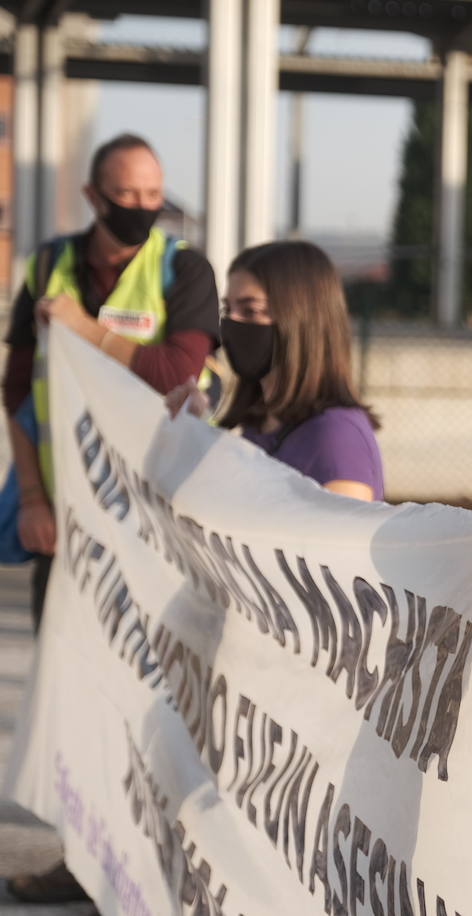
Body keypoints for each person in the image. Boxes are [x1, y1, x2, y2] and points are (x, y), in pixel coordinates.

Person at [2, 135, 221, 902]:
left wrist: (81, 329)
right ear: (93, 198)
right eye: (127, 196)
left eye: (153, 194)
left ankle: (144, 866)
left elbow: (174, 369)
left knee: (144, 698)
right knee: (72, 689)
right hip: (60, 527)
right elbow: (18, 391)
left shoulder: (182, 270)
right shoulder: (49, 265)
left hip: (150, 536)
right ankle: (81, 854)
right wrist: (31, 497)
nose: (143, 209)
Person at [167, 240, 383, 501]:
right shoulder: (261, 425)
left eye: (250, 310)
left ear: (301, 319)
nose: (230, 323)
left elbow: (341, 538)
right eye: (227, 309)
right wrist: (192, 433)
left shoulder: (337, 437)